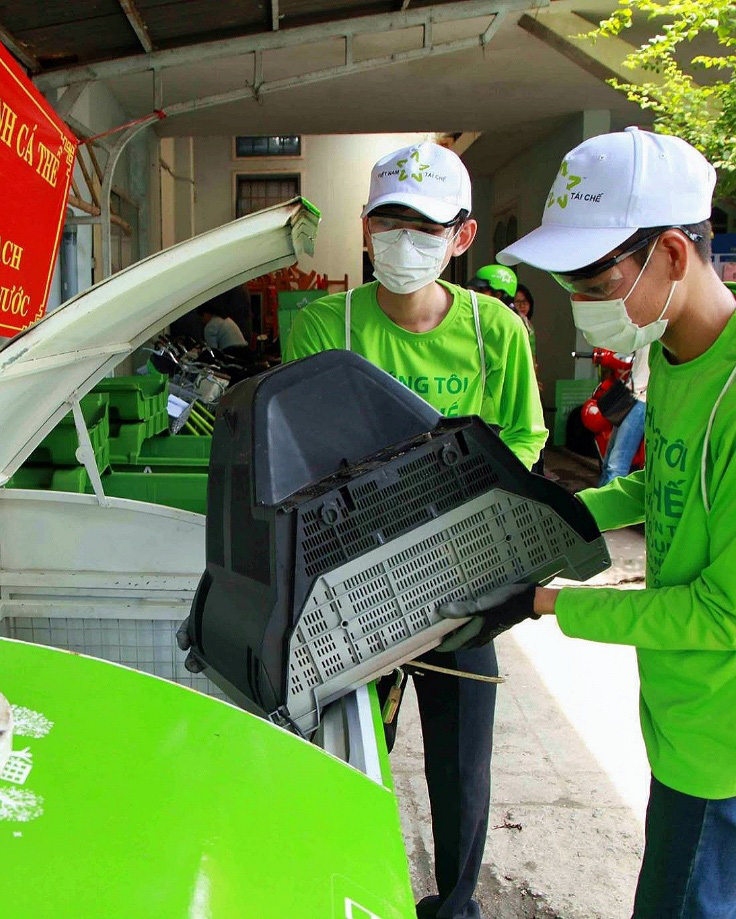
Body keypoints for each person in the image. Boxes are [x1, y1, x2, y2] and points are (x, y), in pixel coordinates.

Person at [448, 127, 736, 918]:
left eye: (594, 280)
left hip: (733, 720)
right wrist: (529, 520)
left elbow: (727, 614)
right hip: (681, 699)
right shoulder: (679, 350)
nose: (578, 303)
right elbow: (652, 484)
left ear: (670, 253)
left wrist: (545, 601)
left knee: (688, 900)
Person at [286, 140, 546, 919]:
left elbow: (525, 440)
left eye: (425, 227)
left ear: (462, 237)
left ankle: (457, 900)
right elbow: (302, 453)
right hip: (357, 580)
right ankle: (340, 879)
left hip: (463, 577)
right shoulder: (322, 325)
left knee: (463, 754)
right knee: (347, 739)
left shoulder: (494, 329)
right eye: (391, 222)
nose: (406, 242)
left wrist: (458, 500)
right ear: (365, 228)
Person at [596, 346, 649, 487]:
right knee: (609, 461)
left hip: (641, 400)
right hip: (631, 395)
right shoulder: (645, 333)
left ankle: (607, 505)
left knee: (616, 465)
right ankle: (599, 501)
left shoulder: (655, 334)